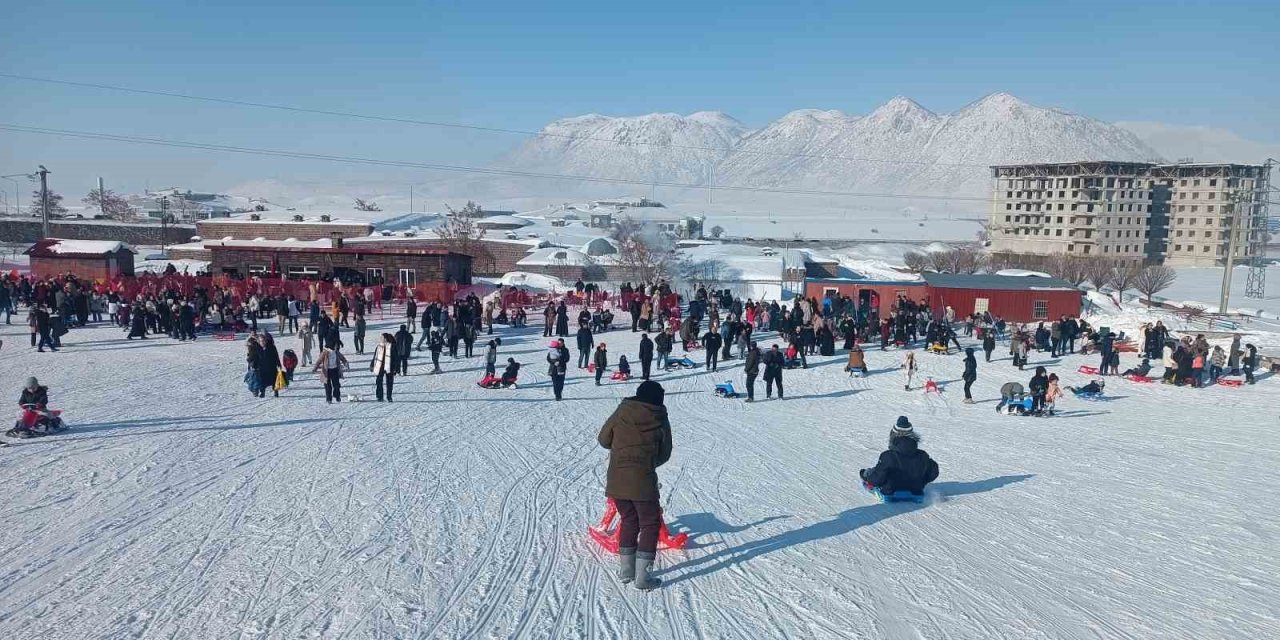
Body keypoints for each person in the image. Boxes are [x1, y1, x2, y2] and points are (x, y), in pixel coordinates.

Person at [597, 380, 673, 591]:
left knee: (629, 519)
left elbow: (604, 439)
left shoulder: (623, 410)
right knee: (650, 524)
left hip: (617, 478)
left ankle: (626, 571)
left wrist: (622, 453)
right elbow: (665, 453)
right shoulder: (659, 416)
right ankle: (643, 578)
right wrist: (647, 463)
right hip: (643, 479)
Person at [859, 416, 939, 498]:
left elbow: (877, 480)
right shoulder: (923, 456)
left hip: (890, 491)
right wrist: (921, 482)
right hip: (915, 490)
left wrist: (867, 475)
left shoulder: (888, 456)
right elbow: (934, 472)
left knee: (878, 472)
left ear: (893, 436)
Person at [370, 333, 397, 402]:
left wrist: (396, 368)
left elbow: (396, 358)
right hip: (380, 366)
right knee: (379, 381)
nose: (381, 339)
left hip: (390, 366)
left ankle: (389, 396)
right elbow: (375, 356)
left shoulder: (392, 346)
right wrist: (372, 364)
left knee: (389, 382)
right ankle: (379, 396)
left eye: (382, 338)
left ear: (386, 338)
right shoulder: (379, 346)